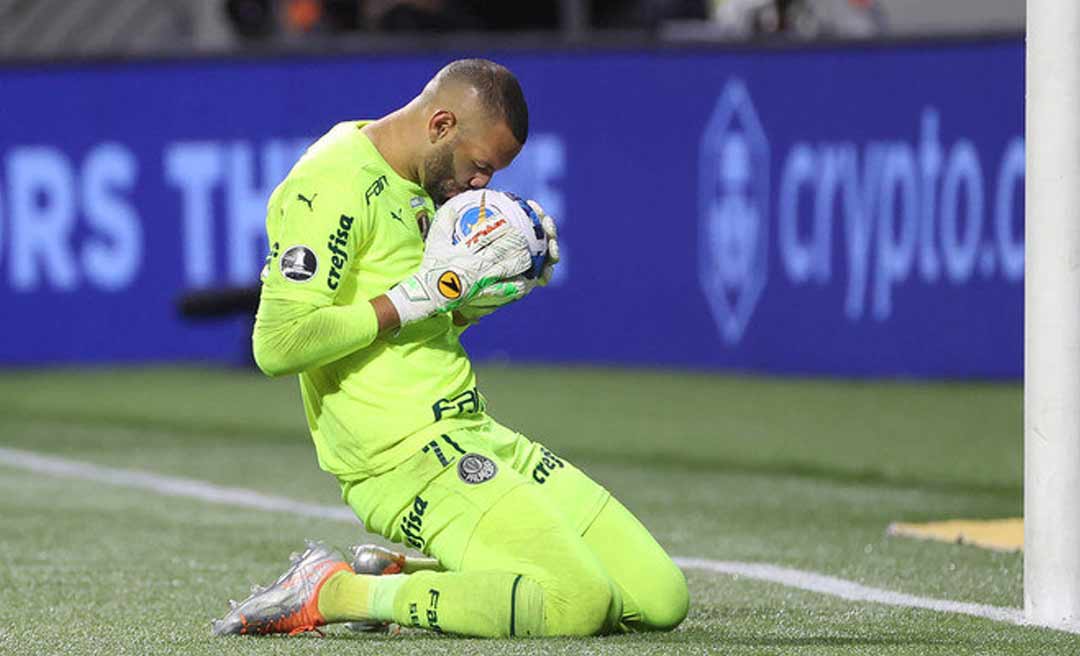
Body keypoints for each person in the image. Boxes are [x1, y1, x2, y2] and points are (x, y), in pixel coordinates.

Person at [211, 58, 689, 639]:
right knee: (577, 603)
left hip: (472, 430)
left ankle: (398, 574)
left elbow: (418, 328)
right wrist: (412, 298)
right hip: (401, 458)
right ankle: (336, 591)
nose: (481, 184)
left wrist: (483, 294)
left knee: (660, 598)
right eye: (480, 166)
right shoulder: (331, 183)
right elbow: (279, 344)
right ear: (441, 125)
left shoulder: (422, 180)